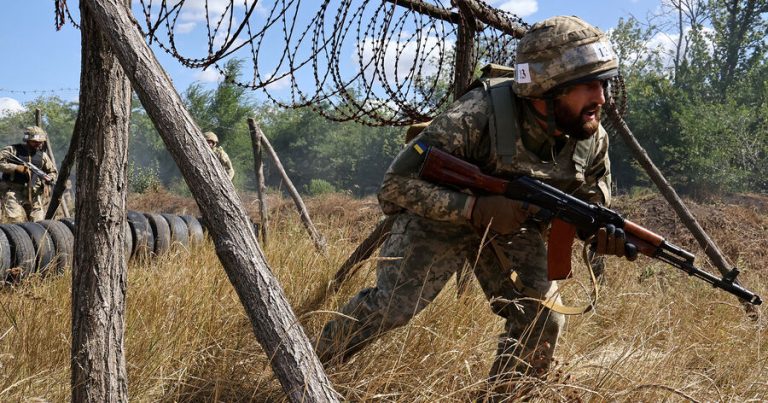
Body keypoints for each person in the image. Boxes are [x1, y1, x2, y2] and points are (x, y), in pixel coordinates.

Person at [315, 16, 635, 398]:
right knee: (394, 307)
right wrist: (475, 209)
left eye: (604, 83)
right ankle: (306, 368)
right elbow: (395, 185)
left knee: (543, 320)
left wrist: (597, 233)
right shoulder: (476, 114)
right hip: (441, 215)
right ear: (546, 88)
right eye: (587, 85)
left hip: (515, 224)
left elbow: (589, 201)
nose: (601, 97)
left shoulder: (591, 137)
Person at [0, 126, 58, 223]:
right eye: (35, 141)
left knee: (38, 224)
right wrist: (15, 168)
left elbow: (53, 172)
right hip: (13, 192)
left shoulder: (42, 156)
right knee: (15, 222)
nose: (38, 144)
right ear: (28, 140)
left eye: (40, 142)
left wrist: (49, 178)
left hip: (34, 194)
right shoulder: (13, 150)